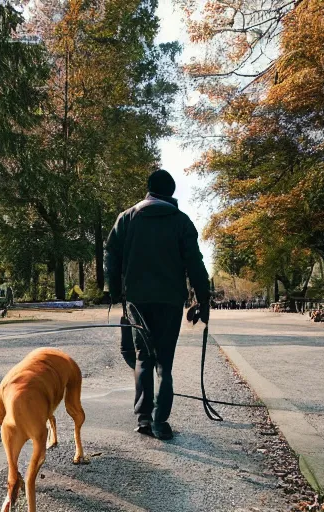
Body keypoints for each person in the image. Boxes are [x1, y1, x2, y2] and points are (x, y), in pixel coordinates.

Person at [104, 169, 210, 440]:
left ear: (148, 189)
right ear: (172, 193)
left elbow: (111, 253)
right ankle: (161, 423)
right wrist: (203, 299)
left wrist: (115, 290)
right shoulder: (181, 221)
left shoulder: (127, 218)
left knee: (142, 357)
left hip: (136, 300)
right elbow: (195, 264)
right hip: (170, 300)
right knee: (164, 362)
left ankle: (142, 419)